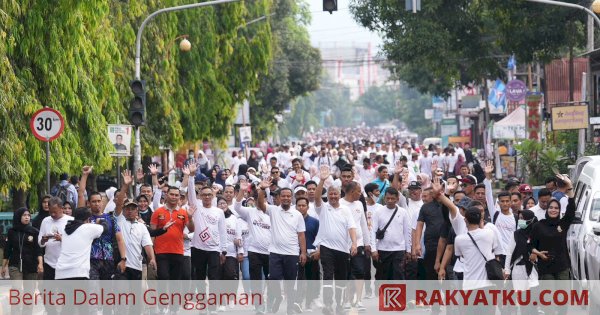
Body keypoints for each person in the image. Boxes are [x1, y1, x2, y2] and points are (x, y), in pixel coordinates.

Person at [257, 178, 307, 315]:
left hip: (292, 253)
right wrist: (262, 189)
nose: (285, 198)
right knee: (273, 279)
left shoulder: (297, 214)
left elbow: (301, 235)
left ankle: (290, 308)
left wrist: (303, 253)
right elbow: (260, 203)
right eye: (283, 196)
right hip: (275, 253)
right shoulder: (273, 210)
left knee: (291, 283)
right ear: (278, 197)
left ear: (292, 198)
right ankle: (278, 297)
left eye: (288, 196)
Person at [314, 165, 357, 315]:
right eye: (331, 194)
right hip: (326, 247)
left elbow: (352, 227)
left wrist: (354, 243)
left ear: (339, 195)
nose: (333, 196)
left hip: (343, 249)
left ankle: (339, 304)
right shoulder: (323, 208)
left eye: (335, 194)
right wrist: (322, 180)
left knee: (340, 278)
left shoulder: (345, 210)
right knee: (327, 274)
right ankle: (327, 304)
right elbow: (317, 197)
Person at [234, 179, 272, 314]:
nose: (258, 200)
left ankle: (271, 302)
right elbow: (237, 207)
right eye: (255, 197)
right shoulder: (250, 212)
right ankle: (259, 306)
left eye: (260, 197)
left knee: (271, 280)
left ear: (265, 198)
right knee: (256, 280)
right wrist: (241, 191)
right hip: (254, 251)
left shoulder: (272, 212)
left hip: (271, 252)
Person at [530, 175, 575, 281]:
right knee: (549, 296)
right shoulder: (538, 225)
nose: (553, 210)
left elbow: (571, 209)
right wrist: (538, 253)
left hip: (562, 266)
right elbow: (530, 245)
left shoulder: (562, 224)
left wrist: (569, 186)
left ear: (559, 211)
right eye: (550, 207)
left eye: (556, 208)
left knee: (563, 296)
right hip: (545, 268)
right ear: (547, 209)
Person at [371, 187, 411, 281]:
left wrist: (408, 249)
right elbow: (372, 231)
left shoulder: (403, 212)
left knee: (398, 275)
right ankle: (382, 296)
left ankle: (398, 296)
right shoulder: (378, 211)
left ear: (397, 199)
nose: (390, 201)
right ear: (384, 198)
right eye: (387, 198)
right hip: (382, 249)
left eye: (392, 199)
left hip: (399, 250)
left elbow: (406, 231)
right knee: (383, 276)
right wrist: (374, 249)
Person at [55, 207, 107, 280]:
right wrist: (101, 221)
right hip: (78, 272)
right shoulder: (88, 227)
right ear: (88, 219)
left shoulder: (66, 229)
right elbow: (106, 228)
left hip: (61, 272)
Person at [454, 207, 499, 291]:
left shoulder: (459, 239)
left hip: (469, 285)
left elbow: (460, 255)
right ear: (481, 219)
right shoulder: (489, 233)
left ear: (465, 220)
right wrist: (481, 226)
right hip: (488, 284)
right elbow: (493, 248)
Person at [294, 197, 321, 312]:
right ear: (295, 207)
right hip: (295, 253)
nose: (301, 208)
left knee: (311, 279)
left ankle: (309, 303)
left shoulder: (314, 222)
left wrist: (319, 251)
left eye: (303, 205)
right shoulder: (292, 220)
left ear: (307, 207)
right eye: (299, 205)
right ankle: (298, 302)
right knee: (299, 279)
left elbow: (320, 238)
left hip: (311, 254)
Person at [503, 210, 539, 293]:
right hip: (518, 269)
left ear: (530, 219)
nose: (520, 221)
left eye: (523, 218)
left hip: (532, 268)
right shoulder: (516, 234)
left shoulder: (536, 233)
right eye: (519, 218)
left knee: (533, 294)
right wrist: (507, 269)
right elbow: (509, 252)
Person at [2, 207, 43, 279]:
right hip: (15, 264)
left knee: (29, 289)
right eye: (24, 215)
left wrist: (40, 263)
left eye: (28, 215)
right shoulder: (12, 232)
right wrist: (3, 267)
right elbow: (7, 250)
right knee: (17, 287)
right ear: (18, 216)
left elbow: (38, 249)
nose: (27, 217)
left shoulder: (34, 232)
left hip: (31, 264)